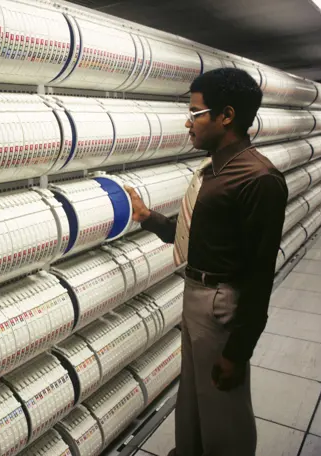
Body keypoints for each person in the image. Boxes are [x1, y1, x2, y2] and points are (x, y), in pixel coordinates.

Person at [125, 68, 288, 456]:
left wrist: (238, 351)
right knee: (195, 396)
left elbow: (260, 272)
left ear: (225, 116)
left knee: (222, 402)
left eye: (196, 113)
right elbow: (195, 234)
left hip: (221, 305)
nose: (188, 122)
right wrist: (148, 218)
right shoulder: (215, 170)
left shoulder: (257, 178)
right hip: (197, 293)